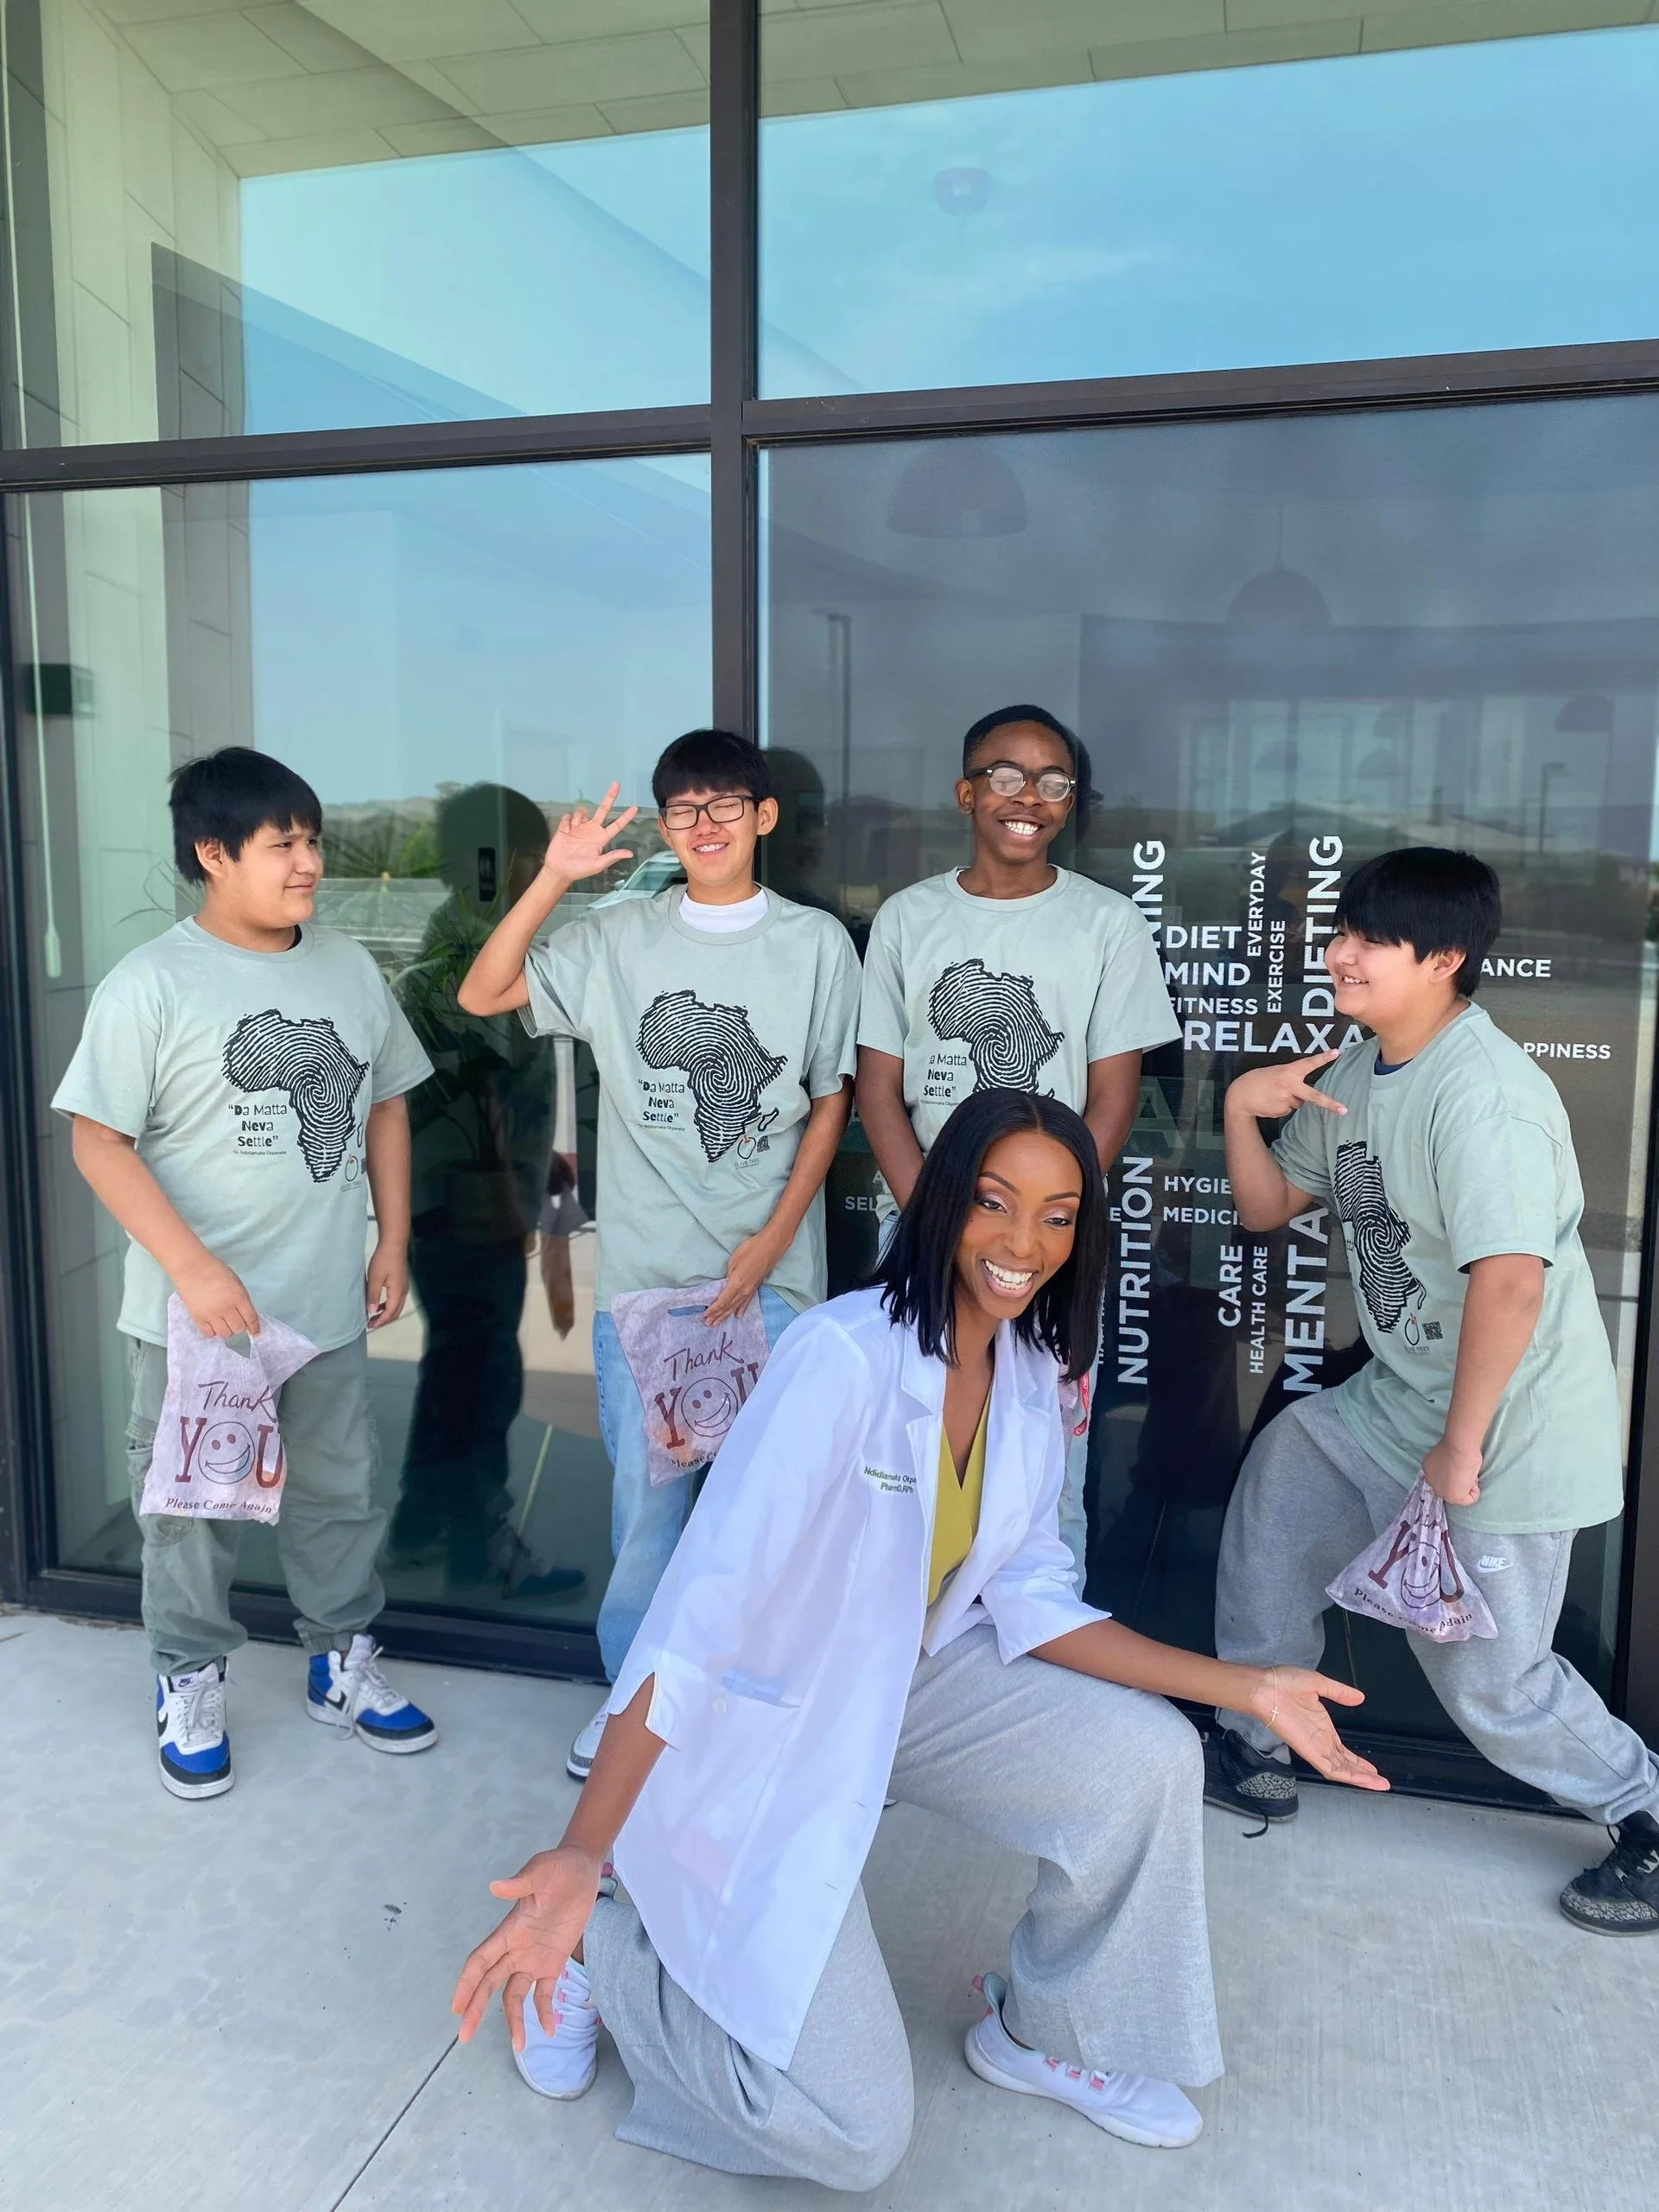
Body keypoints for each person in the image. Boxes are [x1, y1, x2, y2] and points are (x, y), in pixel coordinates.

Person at [450, 1089, 1384, 2185]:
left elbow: (1036, 1601)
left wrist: (1245, 1687)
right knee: (854, 2135)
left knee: (1146, 1759)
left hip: (900, 1685)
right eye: (995, 1201)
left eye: (1058, 1215)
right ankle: (604, 1950)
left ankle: (1048, 2032)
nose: (1023, 1242)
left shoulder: (1031, 1373)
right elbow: (696, 1620)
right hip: (757, 1721)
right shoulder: (841, 1358)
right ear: (943, 1201)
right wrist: (582, 1847)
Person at [1213, 846, 1659, 1933]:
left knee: (1489, 1681)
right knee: (1287, 1474)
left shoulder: (1485, 1092)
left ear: (1446, 958)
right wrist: (1237, 1105)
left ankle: (1643, 1810)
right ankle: (1257, 1732)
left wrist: (1460, 1449)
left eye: (1372, 939)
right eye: (1342, 932)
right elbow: (1268, 1209)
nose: (1342, 953)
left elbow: (1511, 1281)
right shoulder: (1359, 1069)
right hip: (1397, 1403)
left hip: (1502, 1430)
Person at [458, 729, 861, 1781]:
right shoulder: (617, 937)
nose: (706, 823)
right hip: (646, 1282)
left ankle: (751, 1709)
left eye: (727, 804)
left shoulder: (817, 944)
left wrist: (772, 1240)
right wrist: (555, 875)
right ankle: (631, 1711)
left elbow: (831, 1099)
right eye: (685, 808)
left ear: (765, 817)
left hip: (775, 1282)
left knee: (772, 1511)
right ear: (667, 825)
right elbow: (484, 993)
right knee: (649, 1512)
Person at [53, 747, 439, 1801]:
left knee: (338, 1495)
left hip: (323, 1304)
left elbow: (388, 1103)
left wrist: (391, 1239)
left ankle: (340, 1661)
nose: (308, 862)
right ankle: (188, 1677)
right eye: (283, 844)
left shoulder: (349, 967)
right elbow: (97, 1140)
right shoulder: (151, 983)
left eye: (313, 840)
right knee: (192, 1510)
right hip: (197, 1321)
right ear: (214, 854)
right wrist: (192, 1268)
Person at [856, 705, 1179, 1578]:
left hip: (1047, 1244)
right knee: (910, 1450)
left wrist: (1044, 1217)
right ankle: (913, 1632)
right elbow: (879, 1090)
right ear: (967, 793)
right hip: (919, 1227)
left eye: (1052, 781)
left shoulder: (1108, 923)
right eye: (1005, 775)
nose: (1028, 796)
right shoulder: (907, 919)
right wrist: (938, 1218)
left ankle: (1043, 1635)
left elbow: (1113, 1096)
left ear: (1070, 803)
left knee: (1045, 1459)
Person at [388, 783, 583, 1600]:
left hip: (452, 1198)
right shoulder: (465, 961)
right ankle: (482, 1544)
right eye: (529, 857)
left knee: (455, 1365)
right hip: (466, 1203)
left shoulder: (453, 950)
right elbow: (477, 1097)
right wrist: (519, 1187)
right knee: (485, 1373)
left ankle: (419, 1523)